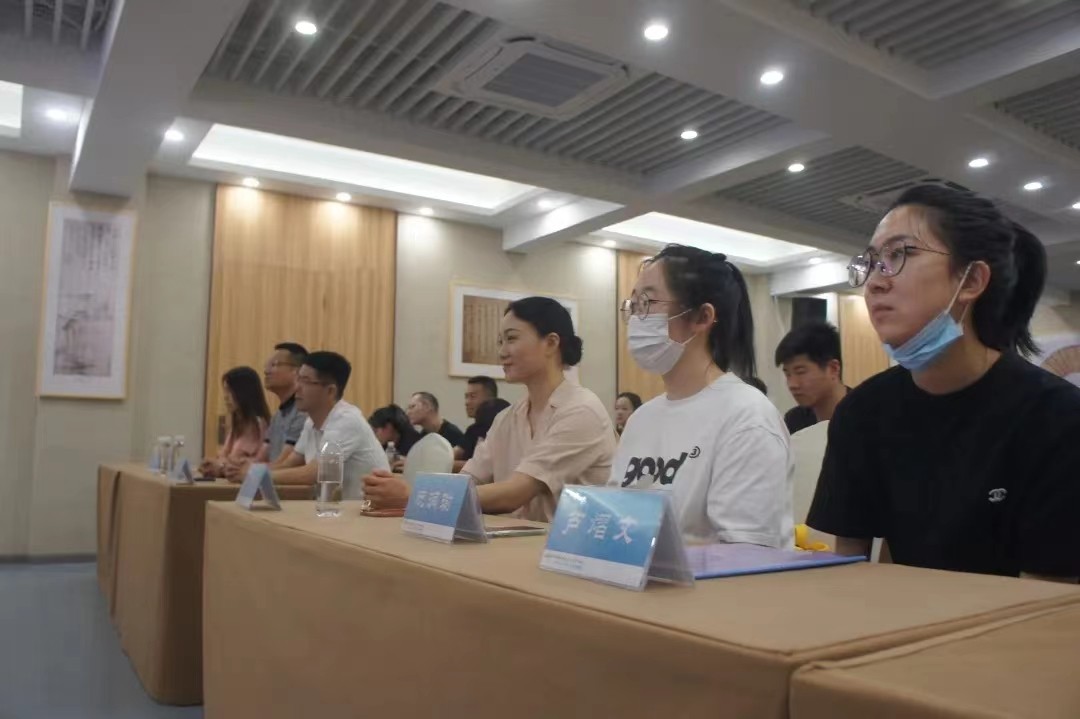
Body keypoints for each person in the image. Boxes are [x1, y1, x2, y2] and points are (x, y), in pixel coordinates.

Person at [808, 184, 1080, 581]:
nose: (875, 282)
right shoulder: (862, 413)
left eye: (900, 254)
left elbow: (1047, 597)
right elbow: (848, 569)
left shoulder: (1057, 418)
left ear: (971, 280)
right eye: (872, 263)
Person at [364, 297, 615, 520]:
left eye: (511, 339)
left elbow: (516, 493)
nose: (501, 352)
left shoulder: (581, 410)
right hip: (514, 546)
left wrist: (415, 495)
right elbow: (468, 481)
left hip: (568, 552)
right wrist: (403, 489)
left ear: (550, 343)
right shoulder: (507, 418)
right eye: (500, 341)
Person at [609, 245, 794, 548]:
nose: (636, 318)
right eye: (633, 304)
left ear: (702, 317)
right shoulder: (641, 419)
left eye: (647, 303)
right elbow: (614, 522)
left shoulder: (747, 417)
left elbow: (746, 551)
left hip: (715, 580)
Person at [240, 351, 388, 499]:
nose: (297, 387)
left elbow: (316, 473)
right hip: (336, 508)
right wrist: (252, 471)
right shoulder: (311, 421)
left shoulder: (346, 420)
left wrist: (257, 475)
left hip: (368, 509)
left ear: (330, 391)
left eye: (305, 381)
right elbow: (290, 463)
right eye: (298, 379)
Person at [774, 322, 849, 434]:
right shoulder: (794, 421)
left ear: (833, 369)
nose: (792, 384)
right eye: (787, 374)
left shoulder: (866, 413)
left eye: (800, 372)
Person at [200, 367, 270, 478]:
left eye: (230, 391)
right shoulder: (237, 425)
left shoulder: (260, 426)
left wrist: (222, 466)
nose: (226, 397)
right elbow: (224, 457)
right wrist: (214, 465)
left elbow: (256, 464)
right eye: (225, 391)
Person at [262, 342, 309, 462]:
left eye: (274, 365)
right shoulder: (277, 416)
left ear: (297, 371)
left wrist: (250, 470)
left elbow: (285, 463)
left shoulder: (304, 413)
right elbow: (261, 458)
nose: (266, 371)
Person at [457, 376, 499, 461]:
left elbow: (484, 466)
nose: (467, 402)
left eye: (473, 396)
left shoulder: (500, 427)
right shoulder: (473, 429)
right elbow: (455, 454)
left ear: (490, 400)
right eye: (466, 397)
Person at [369, 404, 421, 470]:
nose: (374, 436)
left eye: (376, 431)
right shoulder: (384, 444)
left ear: (389, 427)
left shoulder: (415, 444)